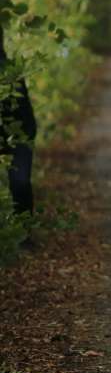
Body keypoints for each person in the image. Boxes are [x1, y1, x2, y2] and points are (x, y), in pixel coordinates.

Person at [0, 47, 36, 250]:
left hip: (18, 138)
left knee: (21, 184)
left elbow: (23, 120)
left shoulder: (11, 75)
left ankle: (23, 236)